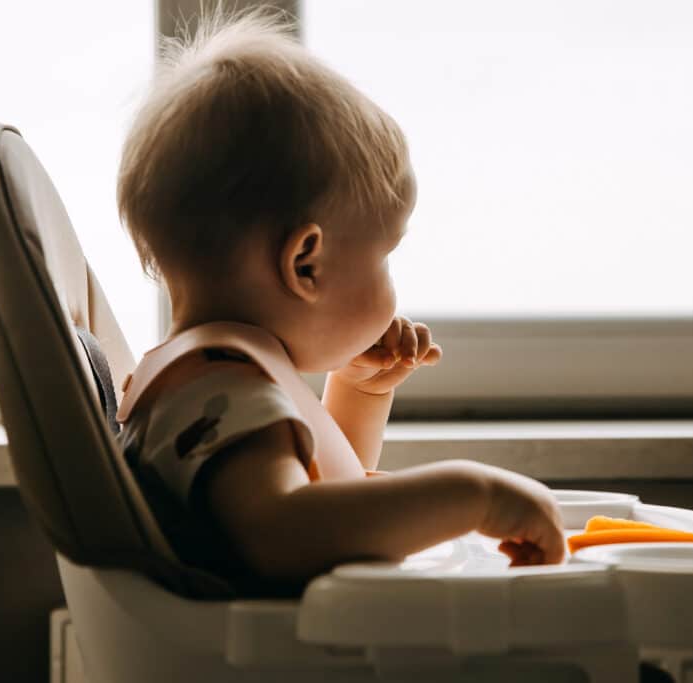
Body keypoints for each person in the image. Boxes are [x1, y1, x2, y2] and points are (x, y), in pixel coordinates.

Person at [114, 7, 565, 597]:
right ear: (306, 263)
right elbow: (284, 534)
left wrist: (359, 390)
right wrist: (471, 494)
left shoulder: (217, 383)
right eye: (384, 255)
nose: (389, 277)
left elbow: (328, 509)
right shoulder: (217, 389)